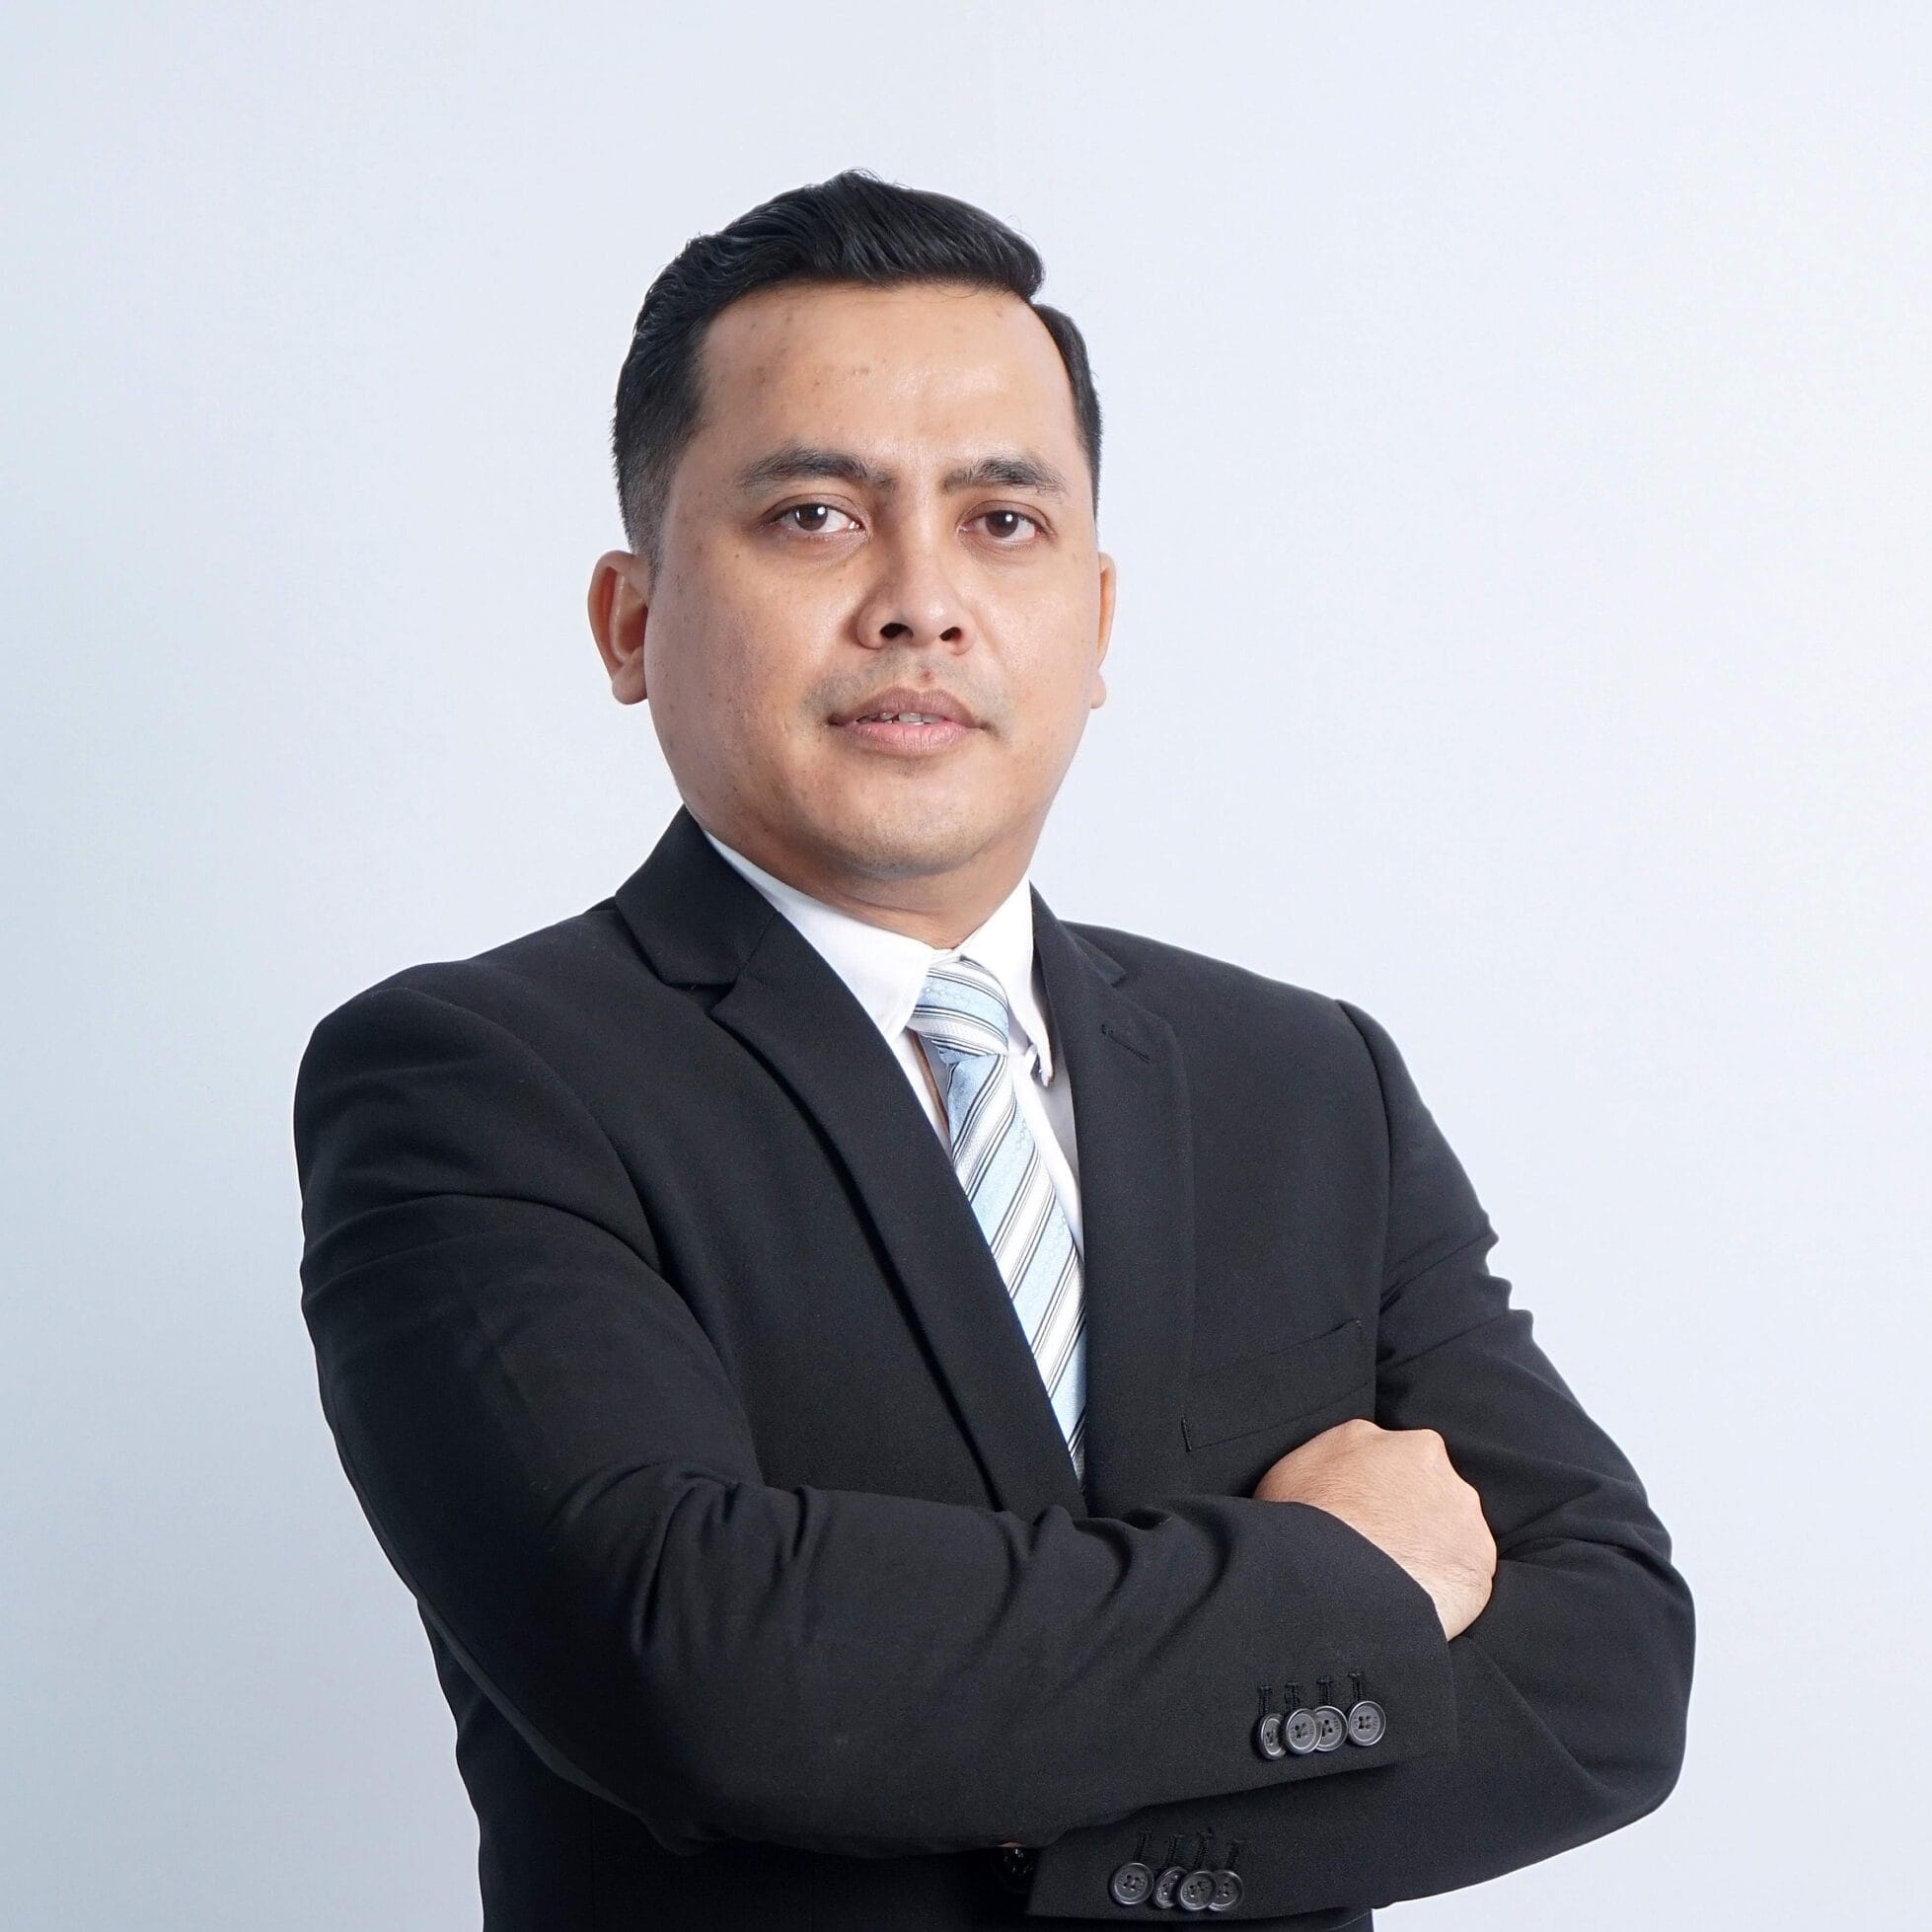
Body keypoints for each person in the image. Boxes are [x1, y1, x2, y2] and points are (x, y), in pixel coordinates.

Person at [292, 168, 1692, 1930]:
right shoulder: (472, 1081)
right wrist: (1345, 1578)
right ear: (629, 621)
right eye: (814, 514)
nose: (920, 602)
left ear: (1094, 620)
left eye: (1002, 520)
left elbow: (1606, 1668)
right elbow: (701, 1666)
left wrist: (1080, 1840)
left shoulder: (1301, 1079)